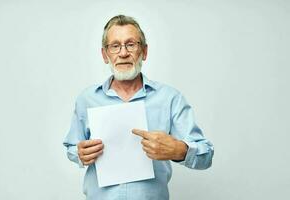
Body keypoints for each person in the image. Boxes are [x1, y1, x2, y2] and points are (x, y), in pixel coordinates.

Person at [63, 14, 214, 200]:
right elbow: (72, 147)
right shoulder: (86, 99)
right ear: (105, 55)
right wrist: (79, 153)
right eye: (115, 46)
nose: (123, 53)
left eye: (131, 44)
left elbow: (206, 155)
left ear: (144, 51)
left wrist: (180, 150)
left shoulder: (170, 98)